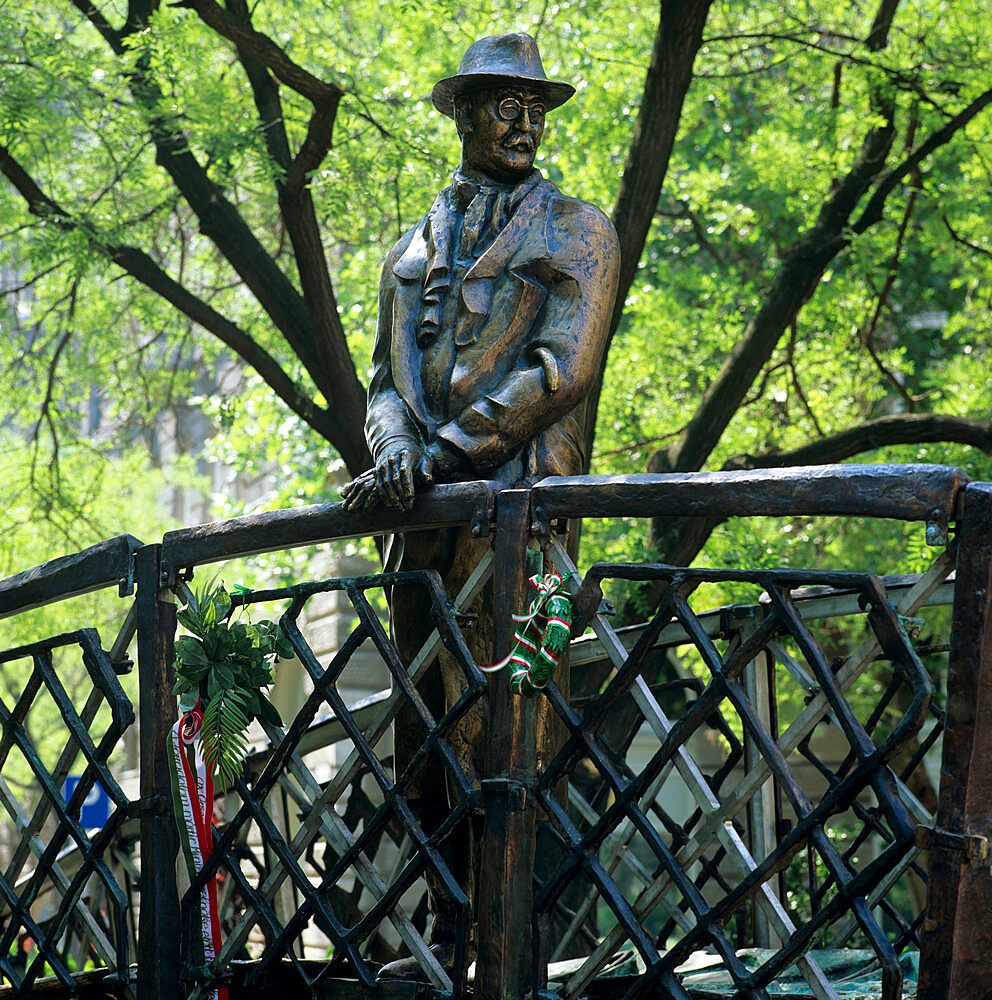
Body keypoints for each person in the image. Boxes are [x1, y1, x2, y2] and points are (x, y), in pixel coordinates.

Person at [340, 31, 619, 980]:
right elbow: (384, 378)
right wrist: (392, 451)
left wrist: (445, 457)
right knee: (428, 747)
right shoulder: (410, 244)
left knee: (510, 739)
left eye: (536, 106)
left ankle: (519, 959)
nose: (525, 122)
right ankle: (448, 944)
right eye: (506, 103)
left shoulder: (575, 229)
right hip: (422, 532)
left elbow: (562, 369)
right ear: (462, 112)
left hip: (516, 523)